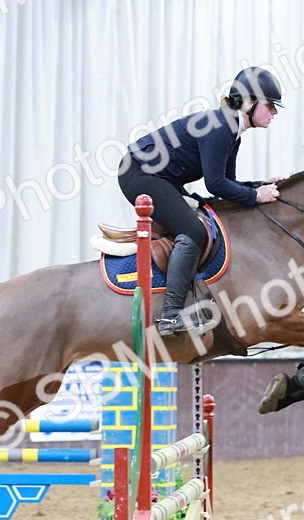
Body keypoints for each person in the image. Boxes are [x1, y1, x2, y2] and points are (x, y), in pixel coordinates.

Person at [118, 67, 285, 336]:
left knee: (203, 216)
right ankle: (171, 315)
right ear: (248, 102)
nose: (275, 112)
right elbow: (216, 184)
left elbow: (226, 185)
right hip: (139, 173)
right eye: (270, 105)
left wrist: (260, 186)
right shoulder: (221, 127)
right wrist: (255, 196)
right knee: (193, 230)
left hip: (159, 176)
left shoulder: (231, 129)